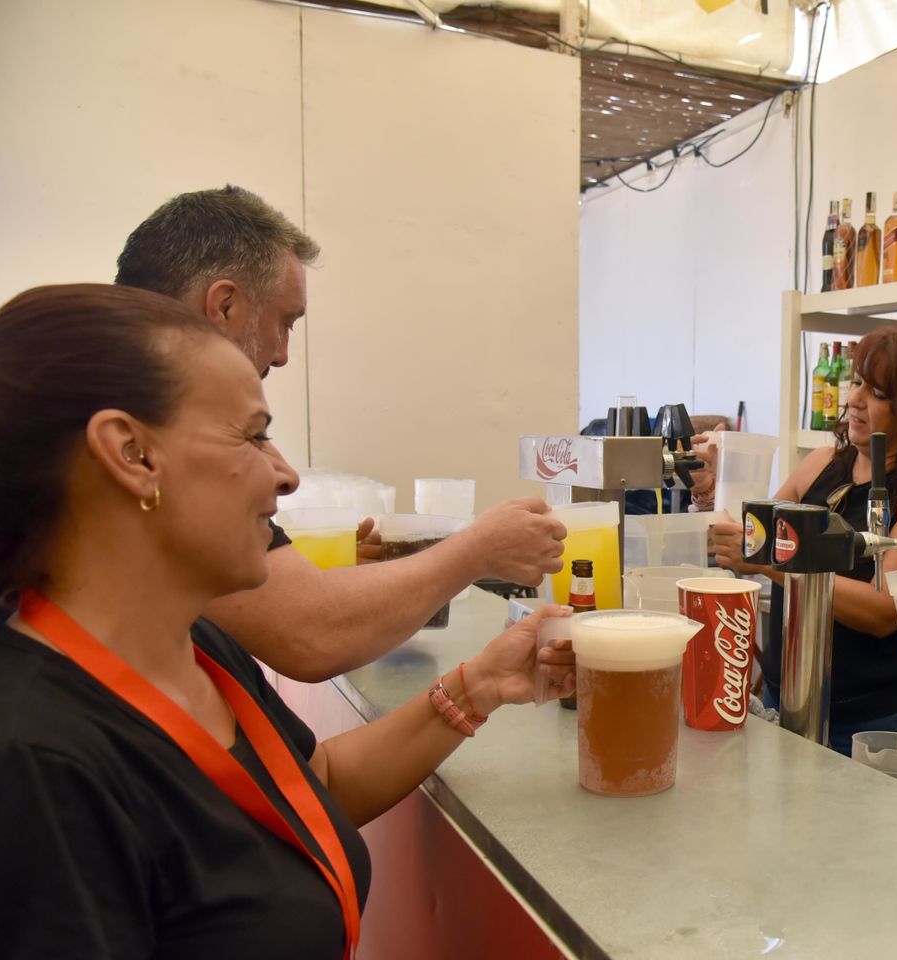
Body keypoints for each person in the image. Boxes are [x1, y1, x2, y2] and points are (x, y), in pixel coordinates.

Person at [0, 284, 575, 960]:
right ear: (132, 453)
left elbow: (306, 787)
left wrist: (483, 686)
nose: (287, 475)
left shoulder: (196, 643)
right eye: (253, 436)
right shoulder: (38, 766)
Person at [115, 185, 566, 682]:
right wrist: (477, 550)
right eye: (284, 322)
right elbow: (311, 632)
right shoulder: (153, 428)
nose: (283, 353)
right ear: (223, 307)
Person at [705, 326, 897, 758]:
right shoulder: (823, 463)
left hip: (872, 723)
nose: (854, 400)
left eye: (877, 392)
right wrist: (715, 486)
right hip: (791, 700)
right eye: (857, 382)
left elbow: (882, 611)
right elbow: (753, 533)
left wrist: (767, 564)